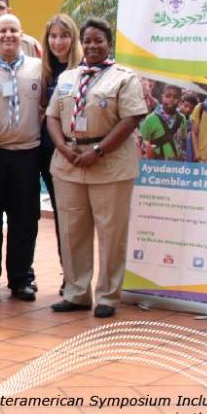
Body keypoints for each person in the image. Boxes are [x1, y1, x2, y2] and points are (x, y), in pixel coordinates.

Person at [46, 18, 147, 318]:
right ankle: (77, 292)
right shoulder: (68, 77)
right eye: (87, 41)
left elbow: (132, 119)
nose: (92, 46)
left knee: (111, 232)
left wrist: (99, 150)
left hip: (110, 163)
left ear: (109, 44)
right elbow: (52, 116)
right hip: (69, 163)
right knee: (72, 230)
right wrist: (62, 147)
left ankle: (108, 296)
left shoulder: (124, 78)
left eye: (98, 41)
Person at [0, 14, 44, 302]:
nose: (8, 35)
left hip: (28, 154)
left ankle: (21, 279)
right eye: (3, 31)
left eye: (13, 30)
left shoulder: (39, 68)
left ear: (22, 34)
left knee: (25, 220)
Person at [39, 13, 82, 286]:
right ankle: (69, 274)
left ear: (73, 38)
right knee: (59, 215)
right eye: (53, 36)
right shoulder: (41, 71)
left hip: (73, 152)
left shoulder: (83, 71)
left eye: (63, 36)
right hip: (43, 150)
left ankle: (75, 275)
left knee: (72, 217)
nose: (58, 42)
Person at [140, 84, 188, 161]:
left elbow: (183, 140)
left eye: (175, 97)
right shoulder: (151, 119)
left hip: (176, 165)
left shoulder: (182, 119)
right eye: (168, 96)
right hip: (156, 164)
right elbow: (142, 143)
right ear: (162, 97)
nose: (171, 99)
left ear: (180, 100)